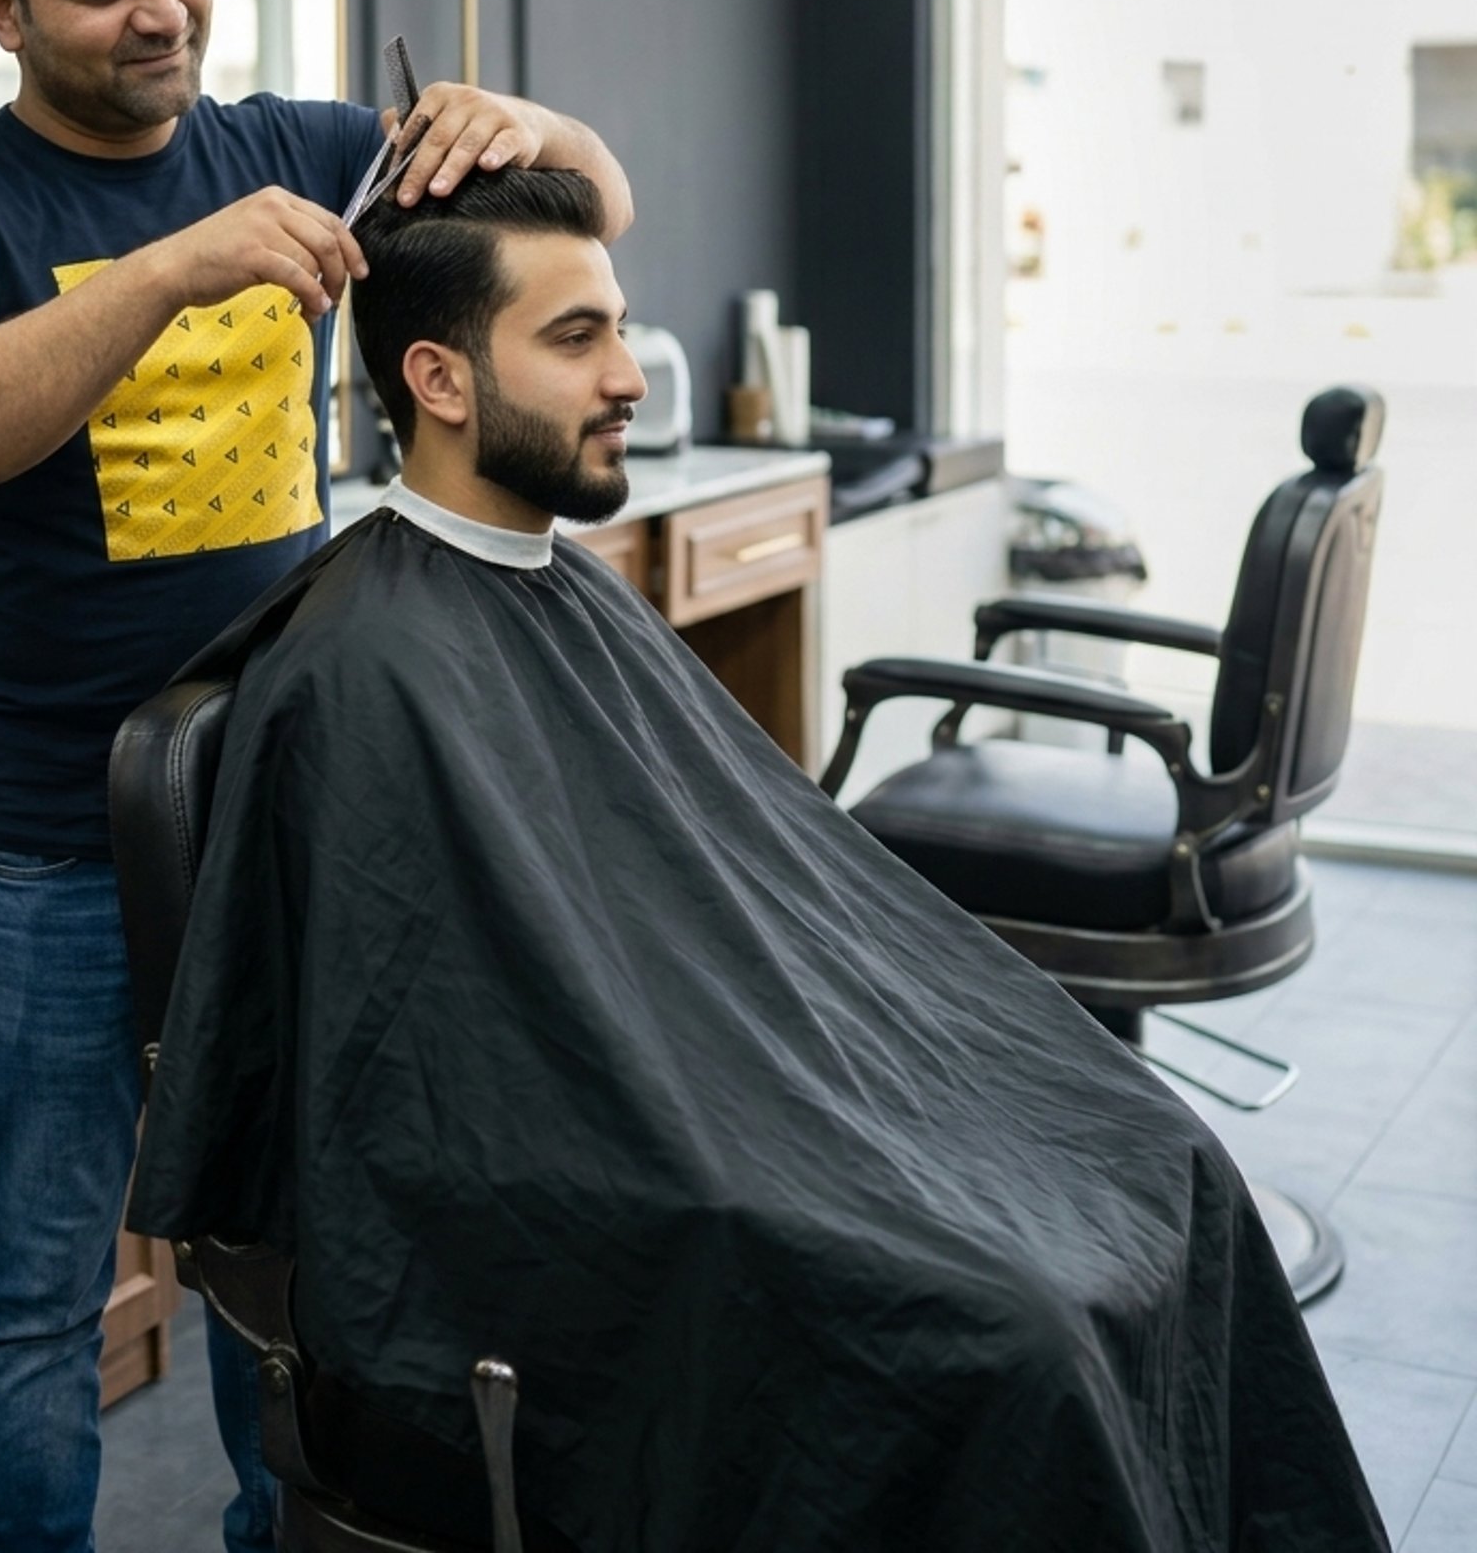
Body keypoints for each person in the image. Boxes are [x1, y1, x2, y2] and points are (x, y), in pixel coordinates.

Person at [130, 168, 1386, 1553]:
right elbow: (445, 1090)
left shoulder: (552, 590)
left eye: (620, 328)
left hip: (727, 1094)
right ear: (436, 378)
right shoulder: (362, 670)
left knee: (1166, 1159)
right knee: (1014, 1340)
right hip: (609, 1192)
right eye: (574, 340)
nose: (628, 379)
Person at [0, 0, 631, 1553]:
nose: (166, 9)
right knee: (39, 1281)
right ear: (7, 14)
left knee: (274, 1266)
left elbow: (594, 200)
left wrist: (533, 118)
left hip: (269, 815)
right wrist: (177, 263)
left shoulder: (303, 138)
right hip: (48, 844)